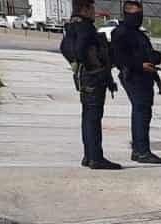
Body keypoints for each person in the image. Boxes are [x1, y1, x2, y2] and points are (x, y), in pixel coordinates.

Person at [60, 0, 120, 170]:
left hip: (85, 77)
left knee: (88, 117)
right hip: (93, 77)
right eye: (92, 8)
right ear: (84, 10)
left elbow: (64, 48)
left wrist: (77, 64)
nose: (94, 11)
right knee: (93, 118)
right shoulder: (85, 27)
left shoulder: (72, 26)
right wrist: (93, 63)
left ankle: (89, 155)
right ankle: (95, 157)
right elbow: (79, 50)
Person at [111, 1, 161, 164]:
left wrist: (157, 79)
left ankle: (139, 150)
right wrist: (139, 65)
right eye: (136, 14)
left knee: (144, 113)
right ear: (128, 13)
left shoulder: (139, 34)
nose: (139, 17)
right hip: (133, 76)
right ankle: (142, 151)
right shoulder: (121, 32)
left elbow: (148, 57)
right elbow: (119, 57)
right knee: (141, 112)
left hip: (145, 77)